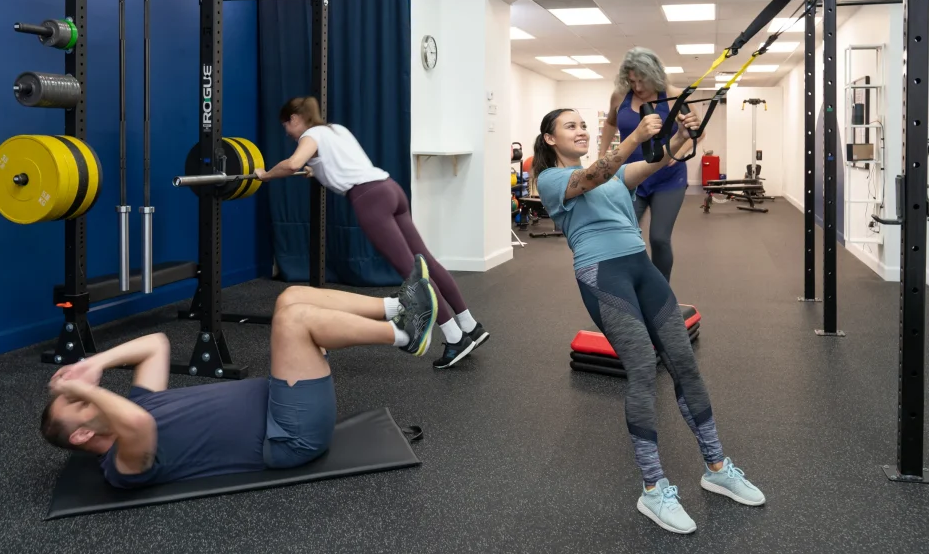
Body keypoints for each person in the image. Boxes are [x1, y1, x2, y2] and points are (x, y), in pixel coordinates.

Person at [532, 107, 764, 534]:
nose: (581, 131)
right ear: (550, 139)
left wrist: (680, 134)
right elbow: (594, 176)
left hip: (641, 268)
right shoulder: (551, 180)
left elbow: (660, 160)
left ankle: (716, 467)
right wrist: (636, 134)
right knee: (640, 368)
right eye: (571, 126)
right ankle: (653, 489)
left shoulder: (617, 174)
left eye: (584, 125)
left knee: (684, 363)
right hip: (602, 274)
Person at [40, 257, 437, 488]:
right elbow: (139, 423)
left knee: (290, 298)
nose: (84, 391)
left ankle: (392, 307)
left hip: (284, 403)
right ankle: (405, 334)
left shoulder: (138, 400)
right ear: (81, 434)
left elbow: (156, 345)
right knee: (294, 322)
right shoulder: (120, 463)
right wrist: (90, 392)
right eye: (77, 402)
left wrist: (94, 363)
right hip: (289, 435)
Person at [254, 96, 487, 370]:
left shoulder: (310, 134)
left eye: (287, 126)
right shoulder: (336, 130)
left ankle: (454, 337)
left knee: (413, 272)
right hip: (390, 189)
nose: (288, 133)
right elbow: (335, 163)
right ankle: (470, 325)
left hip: (369, 199)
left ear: (294, 118)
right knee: (427, 262)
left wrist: (266, 174)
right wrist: (314, 169)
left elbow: (292, 163)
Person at [599, 47, 690, 282]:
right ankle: (630, 284)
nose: (637, 87)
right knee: (626, 235)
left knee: (659, 238)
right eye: (632, 81)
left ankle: (661, 290)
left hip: (668, 180)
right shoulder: (620, 96)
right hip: (631, 177)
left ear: (655, 76)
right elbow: (610, 124)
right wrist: (602, 156)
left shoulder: (673, 95)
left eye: (642, 81)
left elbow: (696, 133)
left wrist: (678, 153)